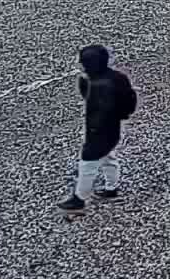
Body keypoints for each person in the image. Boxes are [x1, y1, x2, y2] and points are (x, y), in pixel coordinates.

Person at [58, 44, 138, 216]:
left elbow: (93, 105)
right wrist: (123, 115)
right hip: (113, 128)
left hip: (98, 131)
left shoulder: (94, 83)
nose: (83, 66)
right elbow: (130, 100)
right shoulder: (118, 78)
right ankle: (111, 188)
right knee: (108, 155)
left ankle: (79, 198)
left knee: (88, 163)